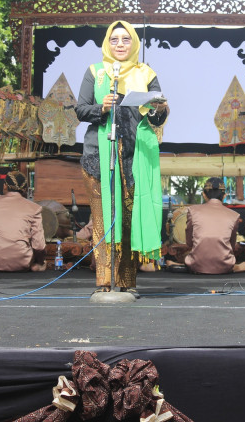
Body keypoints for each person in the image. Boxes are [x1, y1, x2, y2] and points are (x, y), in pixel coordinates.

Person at [75, 20, 168, 295]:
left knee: (128, 220)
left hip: (134, 157)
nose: (119, 44)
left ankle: (126, 282)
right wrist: (101, 108)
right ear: (107, 43)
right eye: (114, 39)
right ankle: (104, 282)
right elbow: (80, 110)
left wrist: (160, 109)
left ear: (134, 43)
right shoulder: (96, 72)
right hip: (98, 156)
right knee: (103, 219)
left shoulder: (146, 73)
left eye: (126, 39)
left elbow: (157, 116)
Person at [0, 171, 46, 272]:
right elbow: (39, 245)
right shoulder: (35, 208)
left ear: (4, 186)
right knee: (37, 265)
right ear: (25, 189)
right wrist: (40, 262)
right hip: (20, 262)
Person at [182, 177, 245, 274]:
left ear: (204, 195)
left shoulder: (192, 211)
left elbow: (189, 243)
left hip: (197, 265)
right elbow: (231, 246)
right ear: (224, 196)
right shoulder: (234, 215)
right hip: (225, 266)